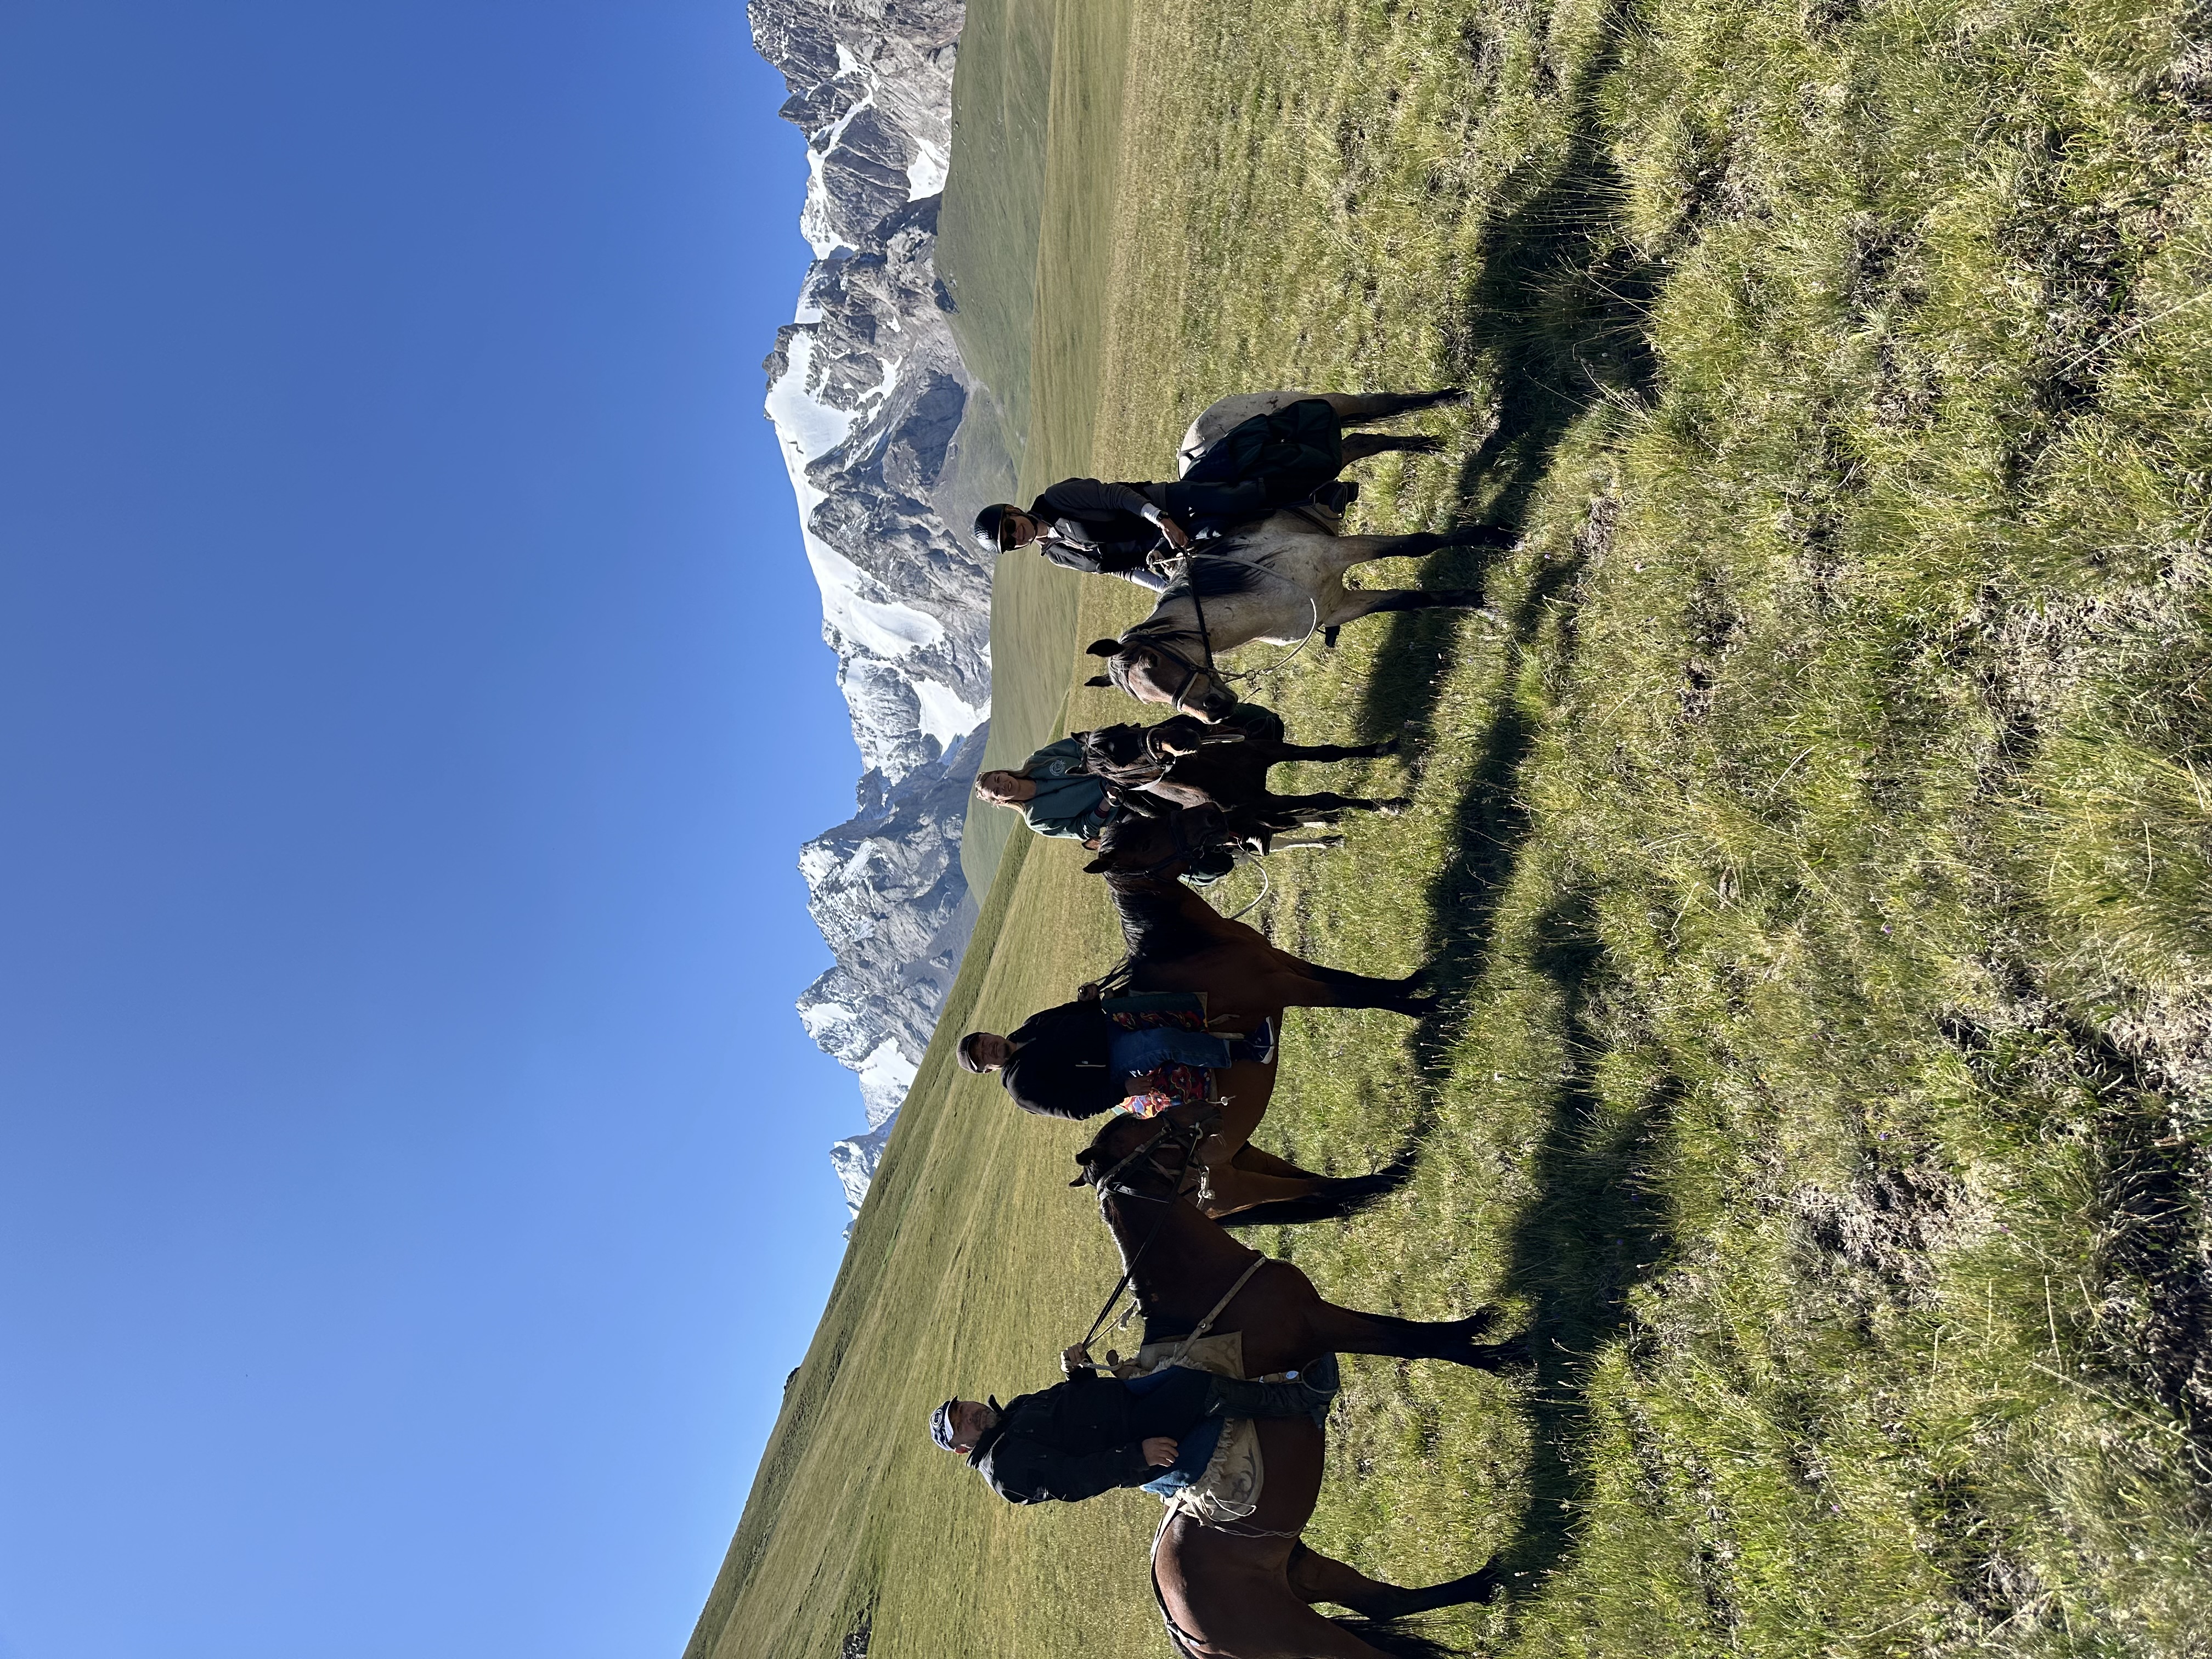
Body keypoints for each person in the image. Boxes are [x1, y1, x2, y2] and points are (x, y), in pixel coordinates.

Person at [929, 1345, 1337, 1505]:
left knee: (1184, 1349)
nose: (969, 1414)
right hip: (1132, 1436)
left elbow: (1073, 1413)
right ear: (964, 1447)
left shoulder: (1011, 1413)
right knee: (1197, 1387)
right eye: (961, 1424)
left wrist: (1078, 1373)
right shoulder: (1005, 1470)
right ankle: (1303, 1399)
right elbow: (1074, 1478)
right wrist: (1135, 1455)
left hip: (1128, 1401)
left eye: (962, 1407)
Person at [957, 993, 1273, 1120]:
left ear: (987, 1034)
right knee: (1159, 1043)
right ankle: (1248, 1051)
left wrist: (1088, 1000)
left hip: (1109, 1023)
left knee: (1149, 985)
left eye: (982, 1042)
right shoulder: (1021, 1088)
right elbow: (1074, 1109)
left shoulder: (1027, 1027)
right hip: (1112, 1062)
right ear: (987, 1070)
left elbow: (1069, 1012)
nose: (987, 1049)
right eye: (982, 1056)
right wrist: (1122, 1090)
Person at [973, 736, 1120, 848]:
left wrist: (1102, 762)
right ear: (1001, 801)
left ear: (1003, 773)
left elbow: (1077, 747)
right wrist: (1106, 804)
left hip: (1115, 763)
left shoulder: (1037, 761)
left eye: (998, 779)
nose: (1003, 785)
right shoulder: (1036, 819)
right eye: (997, 792)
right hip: (1119, 807)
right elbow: (1082, 829)